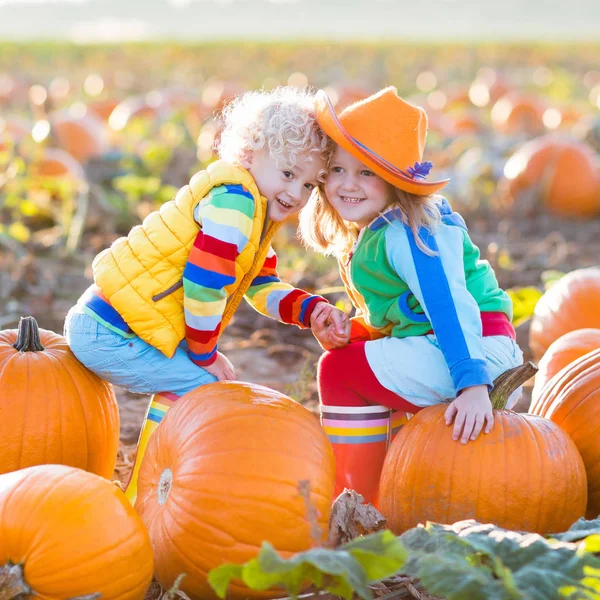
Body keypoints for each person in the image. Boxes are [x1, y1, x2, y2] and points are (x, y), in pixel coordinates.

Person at [64, 86, 347, 504]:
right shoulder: (235, 204)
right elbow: (204, 282)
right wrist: (204, 353)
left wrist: (310, 310)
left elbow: (262, 285)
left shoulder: (251, 211)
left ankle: (146, 488)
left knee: (207, 378)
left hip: (115, 323)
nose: (296, 194)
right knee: (200, 382)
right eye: (288, 174)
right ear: (250, 154)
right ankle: (143, 497)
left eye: (309, 185)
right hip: (110, 331)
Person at [299, 87, 523, 506]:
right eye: (339, 169)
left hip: (479, 356)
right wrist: (360, 332)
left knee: (339, 372)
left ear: (394, 181)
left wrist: (473, 384)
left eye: (367, 172)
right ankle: (395, 489)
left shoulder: (409, 229)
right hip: (458, 350)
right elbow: (410, 315)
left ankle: (357, 501)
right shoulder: (381, 228)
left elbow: (448, 304)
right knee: (361, 360)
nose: (349, 184)